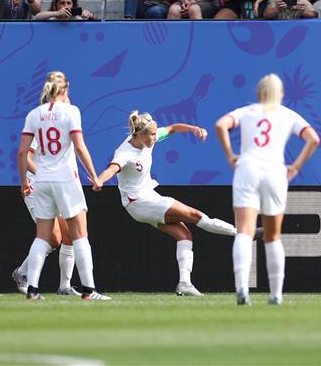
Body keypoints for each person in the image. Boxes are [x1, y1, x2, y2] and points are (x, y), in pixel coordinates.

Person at [96, 111, 238, 296]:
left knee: (184, 234)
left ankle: (184, 284)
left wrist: (194, 129)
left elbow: (172, 128)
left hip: (145, 198)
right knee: (195, 216)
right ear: (140, 134)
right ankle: (242, 233)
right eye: (152, 134)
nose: (155, 137)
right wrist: (100, 180)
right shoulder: (125, 153)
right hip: (139, 201)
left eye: (156, 134)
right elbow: (112, 168)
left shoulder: (148, 138)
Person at [215, 73, 320, 306]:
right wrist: (295, 167)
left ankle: (241, 288)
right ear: (281, 94)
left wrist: (231, 155)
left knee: (244, 230)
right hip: (275, 172)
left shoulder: (246, 111)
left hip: (247, 169)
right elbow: (313, 138)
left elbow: (221, 124)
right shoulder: (288, 114)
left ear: (259, 93)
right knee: (272, 236)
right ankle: (275, 294)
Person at [18, 72, 109, 300]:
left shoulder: (34, 114)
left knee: (42, 236)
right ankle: (89, 290)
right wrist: (95, 177)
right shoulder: (71, 111)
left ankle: (32, 290)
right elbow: (80, 147)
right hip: (65, 179)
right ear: (65, 90)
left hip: (41, 181)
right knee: (80, 235)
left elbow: (21, 152)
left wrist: (23, 183)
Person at [11, 72, 79, 297]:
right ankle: (22, 273)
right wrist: (45, 174)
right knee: (53, 237)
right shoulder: (44, 122)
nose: (68, 99)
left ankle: (65, 286)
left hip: (56, 182)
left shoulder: (64, 120)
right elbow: (26, 156)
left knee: (69, 235)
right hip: (38, 184)